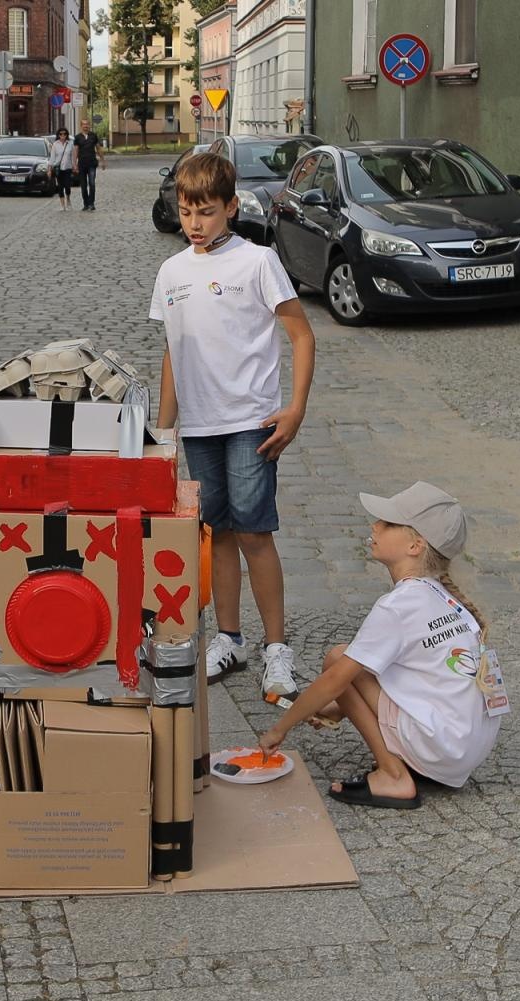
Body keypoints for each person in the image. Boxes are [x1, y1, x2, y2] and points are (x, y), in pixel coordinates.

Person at [151, 151, 316, 700]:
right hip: (198, 426)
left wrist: (295, 408)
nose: (194, 224)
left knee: (253, 533)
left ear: (230, 207)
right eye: (185, 212)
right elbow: (173, 353)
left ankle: (277, 651)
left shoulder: (258, 262)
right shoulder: (171, 272)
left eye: (206, 213)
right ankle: (229, 638)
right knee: (216, 533)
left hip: (251, 422)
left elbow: (301, 336)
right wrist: (163, 432)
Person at [258, 483, 503, 809]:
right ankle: (413, 764)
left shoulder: (398, 606)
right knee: (357, 659)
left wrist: (278, 731)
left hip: (442, 747)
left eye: (387, 523)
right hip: (465, 748)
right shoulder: (444, 596)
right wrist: (335, 709)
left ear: (415, 545)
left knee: (338, 659)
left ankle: (394, 776)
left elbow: (337, 679)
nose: (375, 526)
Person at [73, 119, 104, 211]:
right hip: (82, 164)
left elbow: (98, 148)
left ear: (89, 126)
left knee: (92, 183)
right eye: (84, 124)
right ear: (81, 126)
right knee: (83, 185)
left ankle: (91, 203)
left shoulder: (93, 136)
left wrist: (103, 160)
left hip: (91, 163)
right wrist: (74, 164)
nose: (86, 126)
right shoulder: (78, 137)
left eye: (87, 124)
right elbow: (76, 151)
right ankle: (85, 204)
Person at [46, 128, 76, 210]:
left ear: (67, 135)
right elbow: (52, 158)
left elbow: (73, 156)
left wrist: (75, 166)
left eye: (64, 134)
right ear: (58, 135)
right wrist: (49, 169)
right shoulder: (55, 144)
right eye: (61, 134)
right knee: (60, 187)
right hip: (58, 169)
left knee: (67, 186)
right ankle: (63, 205)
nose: (63, 136)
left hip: (67, 168)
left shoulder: (70, 144)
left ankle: (68, 199)